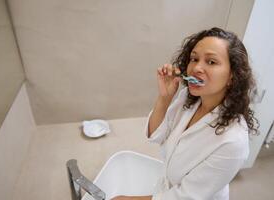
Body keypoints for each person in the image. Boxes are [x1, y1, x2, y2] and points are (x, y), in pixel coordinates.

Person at [111, 27, 259, 200]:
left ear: (232, 76)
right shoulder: (188, 99)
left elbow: (185, 196)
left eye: (211, 62)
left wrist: (126, 199)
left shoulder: (233, 142)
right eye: (194, 59)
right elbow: (156, 136)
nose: (196, 67)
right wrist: (164, 98)